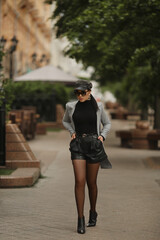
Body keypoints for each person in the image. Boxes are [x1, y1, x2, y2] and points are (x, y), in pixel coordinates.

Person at [62, 80, 111, 234]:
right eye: (77, 92)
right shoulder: (71, 106)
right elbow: (65, 121)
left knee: (92, 183)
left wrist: (102, 136)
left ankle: (93, 212)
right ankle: (80, 219)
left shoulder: (98, 107)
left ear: (90, 91)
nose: (80, 95)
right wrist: (72, 132)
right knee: (79, 181)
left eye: (82, 92)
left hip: (94, 146)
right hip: (77, 146)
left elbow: (107, 123)